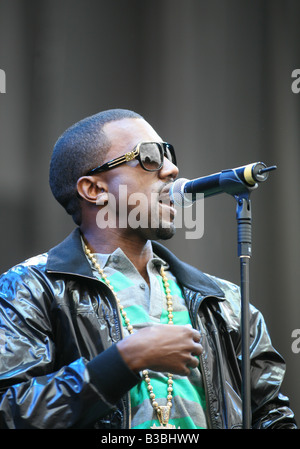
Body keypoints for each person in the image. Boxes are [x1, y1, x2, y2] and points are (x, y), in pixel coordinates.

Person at [0, 109, 296, 429]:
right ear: (94, 189)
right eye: (149, 157)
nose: (172, 169)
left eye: (168, 154)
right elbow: (8, 412)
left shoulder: (226, 303)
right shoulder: (30, 289)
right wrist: (122, 361)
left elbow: (271, 417)